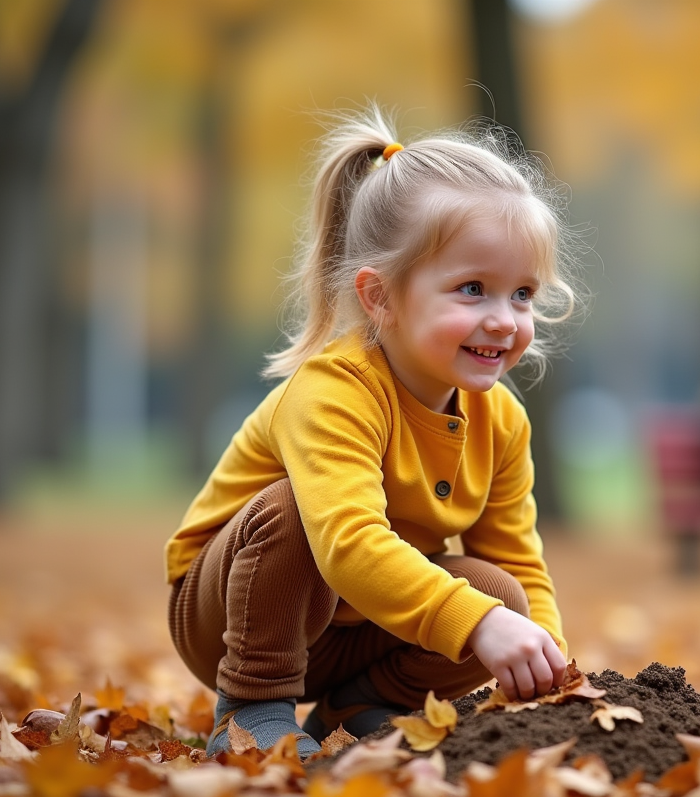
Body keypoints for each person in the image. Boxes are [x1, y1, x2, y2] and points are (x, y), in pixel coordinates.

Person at [164, 107, 578, 758]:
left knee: (502, 595)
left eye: (522, 293)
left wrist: (548, 664)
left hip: (362, 623)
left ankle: (359, 707)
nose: (505, 319)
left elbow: (516, 558)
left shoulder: (501, 421)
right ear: (380, 298)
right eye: (473, 289)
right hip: (231, 613)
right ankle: (249, 709)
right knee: (296, 511)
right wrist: (477, 623)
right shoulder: (334, 391)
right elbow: (348, 544)